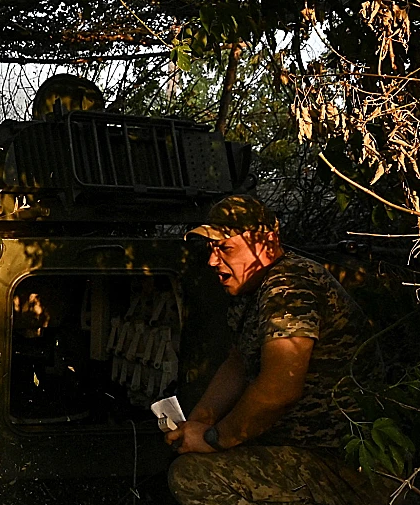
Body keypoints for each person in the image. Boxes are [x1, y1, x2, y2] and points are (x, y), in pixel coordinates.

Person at [166, 194, 392, 505]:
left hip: (343, 464)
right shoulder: (252, 289)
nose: (212, 261)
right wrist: (199, 421)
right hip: (299, 449)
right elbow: (237, 364)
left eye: (226, 248)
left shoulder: (289, 286)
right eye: (211, 249)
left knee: (193, 477)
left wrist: (213, 439)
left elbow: (279, 390)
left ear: (268, 243)